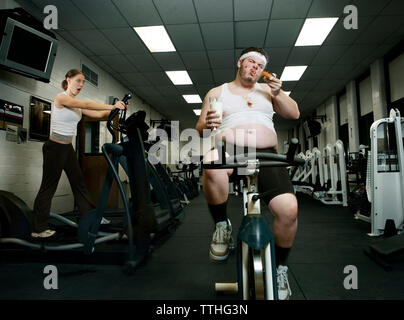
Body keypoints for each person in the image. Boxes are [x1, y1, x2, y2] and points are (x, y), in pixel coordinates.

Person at [195, 47, 300, 300]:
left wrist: (279, 92)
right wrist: (206, 123)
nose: (254, 67)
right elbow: (200, 129)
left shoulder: (269, 91)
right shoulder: (217, 92)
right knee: (211, 162)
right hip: (229, 148)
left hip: (266, 154)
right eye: (251, 62)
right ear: (240, 63)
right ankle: (222, 225)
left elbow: (294, 113)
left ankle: (279, 269)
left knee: (289, 209)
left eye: (259, 65)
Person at [31, 69, 127, 238]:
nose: (81, 85)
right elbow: (87, 105)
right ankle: (38, 229)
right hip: (54, 148)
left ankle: (89, 217)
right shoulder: (61, 98)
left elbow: (99, 114)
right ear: (68, 80)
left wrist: (116, 111)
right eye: (78, 80)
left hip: (67, 148)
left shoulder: (76, 106)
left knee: (79, 184)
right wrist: (112, 105)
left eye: (83, 82)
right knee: (48, 187)